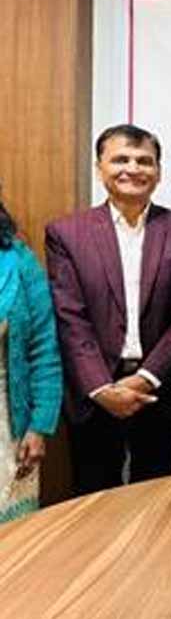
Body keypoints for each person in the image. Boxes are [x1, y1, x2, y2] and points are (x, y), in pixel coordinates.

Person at [46, 124, 171, 494]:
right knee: (94, 496)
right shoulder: (66, 233)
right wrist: (101, 387)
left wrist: (146, 377)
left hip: (163, 387)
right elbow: (70, 316)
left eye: (144, 161)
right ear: (99, 168)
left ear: (158, 172)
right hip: (95, 390)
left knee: (154, 496)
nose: (133, 169)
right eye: (120, 159)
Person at [0, 193, 62, 521]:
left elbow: (44, 350)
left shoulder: (19, 261)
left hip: (8, 422)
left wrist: (39, 426)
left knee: (14, 536)